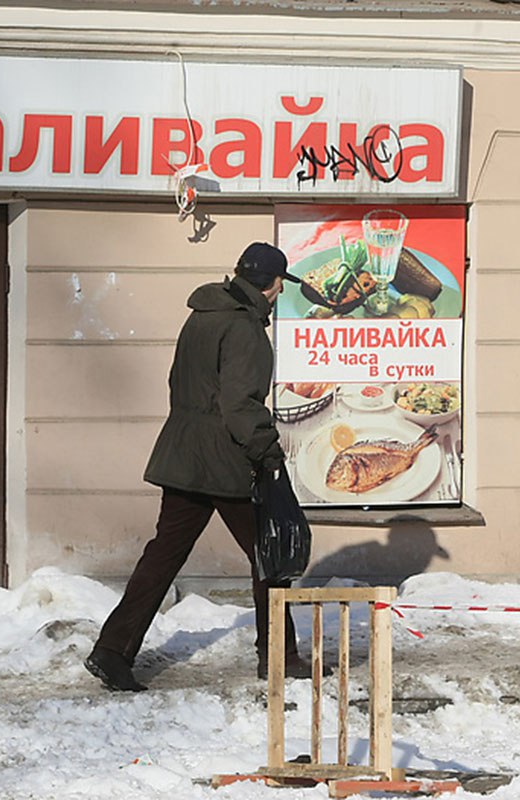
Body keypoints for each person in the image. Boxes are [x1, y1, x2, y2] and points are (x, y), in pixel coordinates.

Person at [84, 241, 320, 692]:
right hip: (227, 461)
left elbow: (179, 381)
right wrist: (268, 455)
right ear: (271, 286)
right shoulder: (247, 331)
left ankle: (112, 651)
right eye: (277, 287)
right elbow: (240, 405)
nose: (276, 295)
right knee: (268, 556)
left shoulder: (201, 315)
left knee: (163, 554)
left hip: (182, 453)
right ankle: (279, 657)